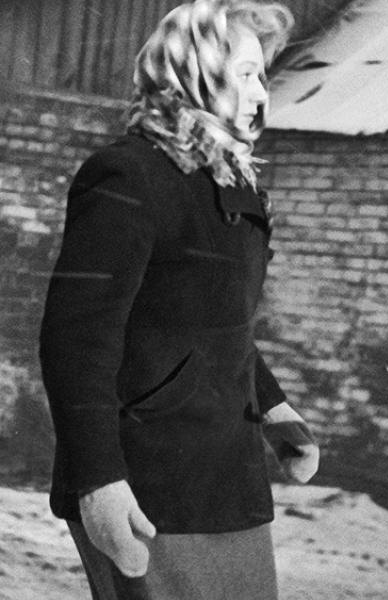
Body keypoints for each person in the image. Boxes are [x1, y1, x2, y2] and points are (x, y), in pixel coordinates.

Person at [38, 1, 318, 598]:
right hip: (147, 479)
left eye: (263, 76)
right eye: (246, 74)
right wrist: (98, 481)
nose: (261, 93)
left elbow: (217, 325)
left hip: (226, 474)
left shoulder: (232, 183)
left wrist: (273, 408)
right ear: (195, 72)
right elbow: (77, 337)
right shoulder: (129, 175)